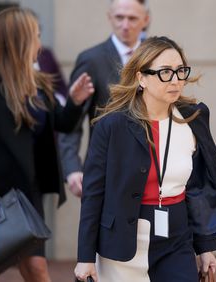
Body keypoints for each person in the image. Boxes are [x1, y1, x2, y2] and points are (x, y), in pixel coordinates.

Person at [73, 36, 216, 282]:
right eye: (165, 72)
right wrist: (85, 258)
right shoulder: (111, 126)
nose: (176, 80)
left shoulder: (194, 118)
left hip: (177, 239)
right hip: (122, 241)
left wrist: (206, 246)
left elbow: (197, 187)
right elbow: (93, 195)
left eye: (180, 71)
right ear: (141, 77)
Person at [0, 7, 94, 282]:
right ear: (18, 40)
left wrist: (75, 102)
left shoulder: (37, 82)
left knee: (36, 268)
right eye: (35, 37)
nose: (40, 45)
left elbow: (61, 123)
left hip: (27, 192)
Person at [59, 0, 150, 197]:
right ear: (109, 17)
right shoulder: (91, 59)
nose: (125, 25)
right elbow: (71, 119)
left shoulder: (157, 58)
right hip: (106, 170)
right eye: (119, 17)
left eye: (132, 18)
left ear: (145, 19)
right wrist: (72, 168)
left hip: (153, 169)